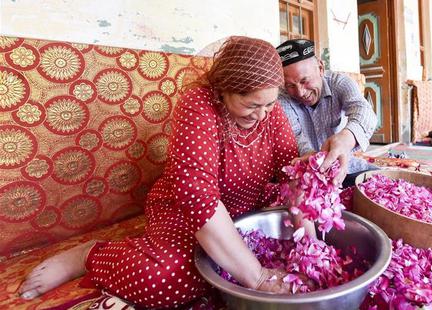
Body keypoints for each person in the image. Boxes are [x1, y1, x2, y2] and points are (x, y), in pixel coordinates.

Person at [19, 36, 308, 308]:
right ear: (223, 90)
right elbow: (197, 198)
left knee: (300, 243)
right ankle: (87, 255)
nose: (262, 115)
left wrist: (310, 241)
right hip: (183, 212)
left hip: (244, 213)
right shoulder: (199, 105)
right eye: (251, 105)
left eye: (270, 104)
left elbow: (291, 172)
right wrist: (257, 277)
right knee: (166, 277)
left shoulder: (270, 113)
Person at [276, 39, 378, 188]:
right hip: (305, 175)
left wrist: (346, 138)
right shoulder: (282, 97)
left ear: (321, 68)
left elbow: (363, 110)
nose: (300, 92)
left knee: (382, 182)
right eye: (291, 85)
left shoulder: (340, 83)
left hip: (345, 166)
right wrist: (312, 158)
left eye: (305, 81)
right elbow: (295, 134)